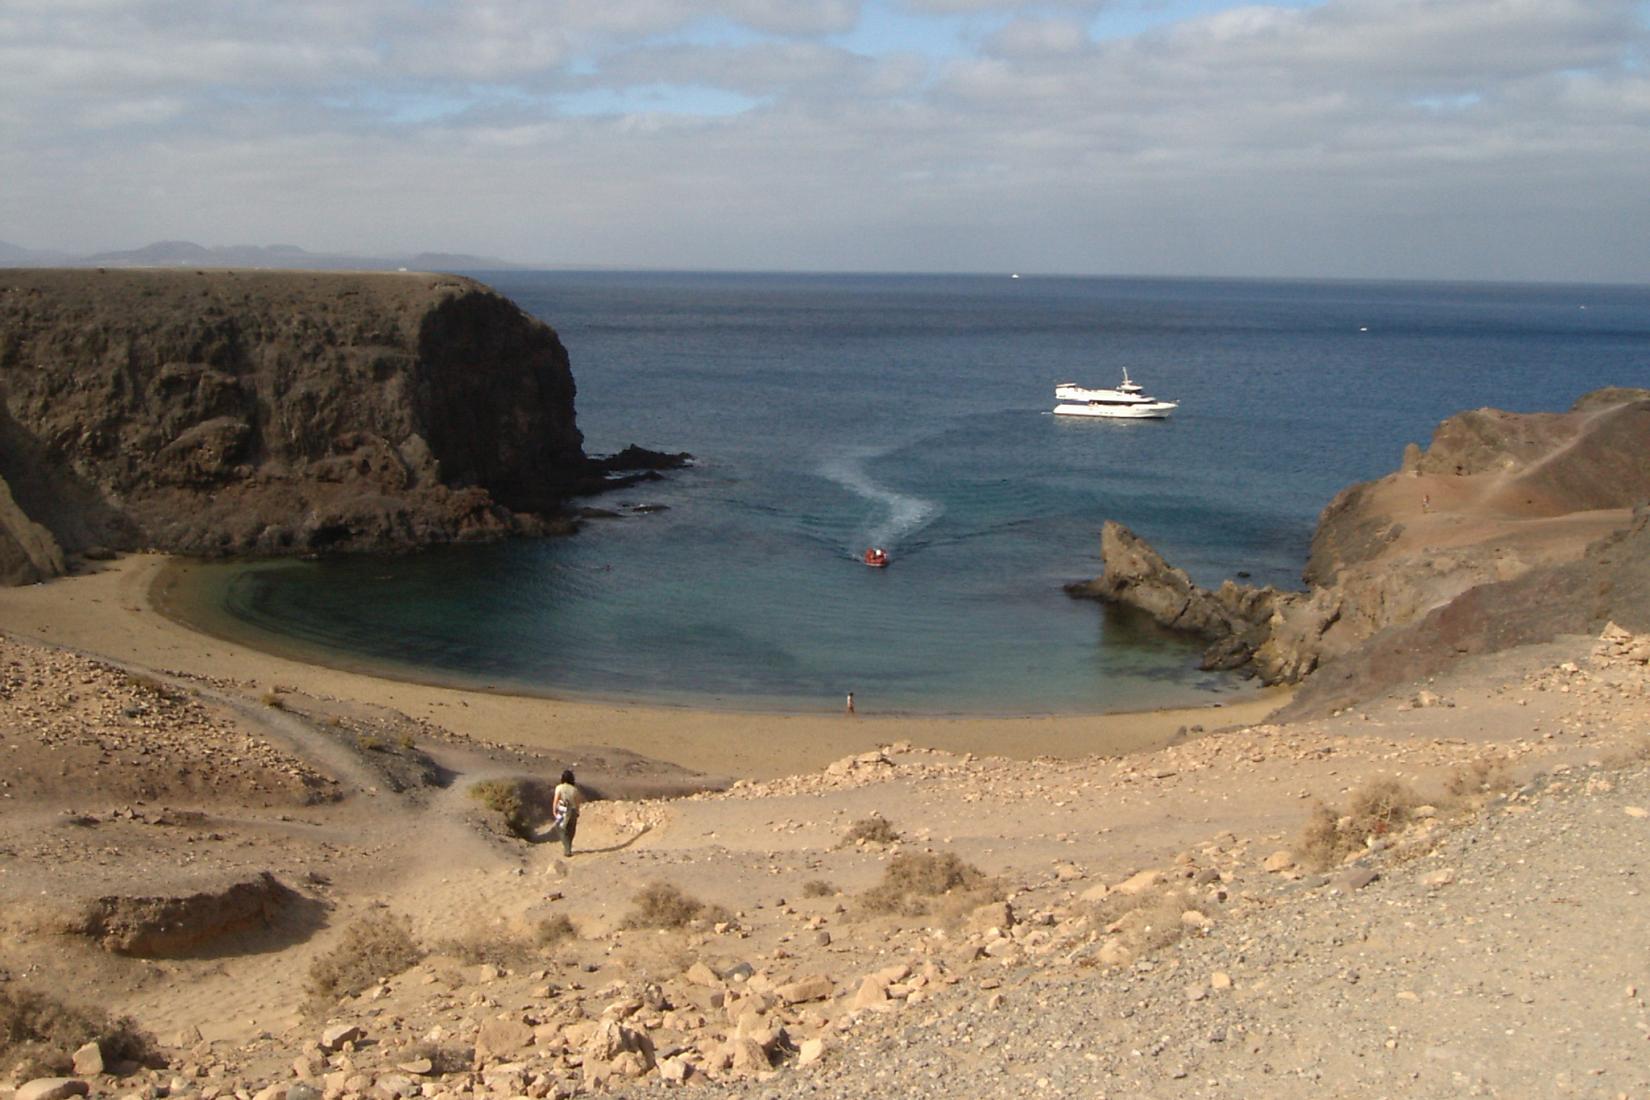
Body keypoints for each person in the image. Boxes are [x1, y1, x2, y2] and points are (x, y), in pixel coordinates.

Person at [550, 769, 581, 856]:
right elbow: (577, 802)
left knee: (559, 828)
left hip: (562, 810)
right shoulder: (574, 789)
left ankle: (567, 848)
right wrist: (578, 811)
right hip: (573, 810)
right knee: (571, 830)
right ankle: (568, 847)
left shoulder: (559, 787)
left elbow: (556, 800)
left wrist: (554, 810)